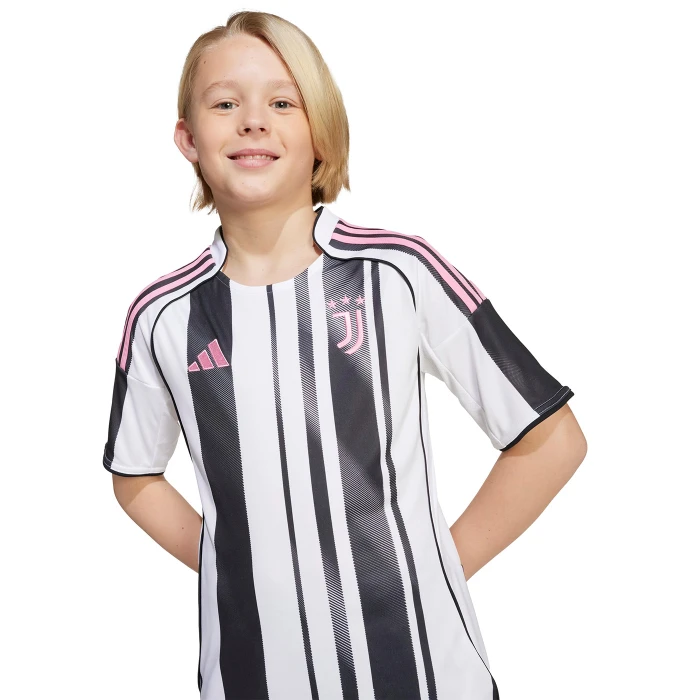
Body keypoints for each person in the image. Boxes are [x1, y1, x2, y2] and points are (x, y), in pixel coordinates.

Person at [102, 10, 587, 700]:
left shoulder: (399, 272)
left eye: (282, 102)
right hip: (250, 680)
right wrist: (240, 569)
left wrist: (437, 569)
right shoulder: (162, 315)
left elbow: (552, 440)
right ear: (188, 138)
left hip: (425, 677)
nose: (253, 121)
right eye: (225, 103)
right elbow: (135, 475)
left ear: (322, 136)